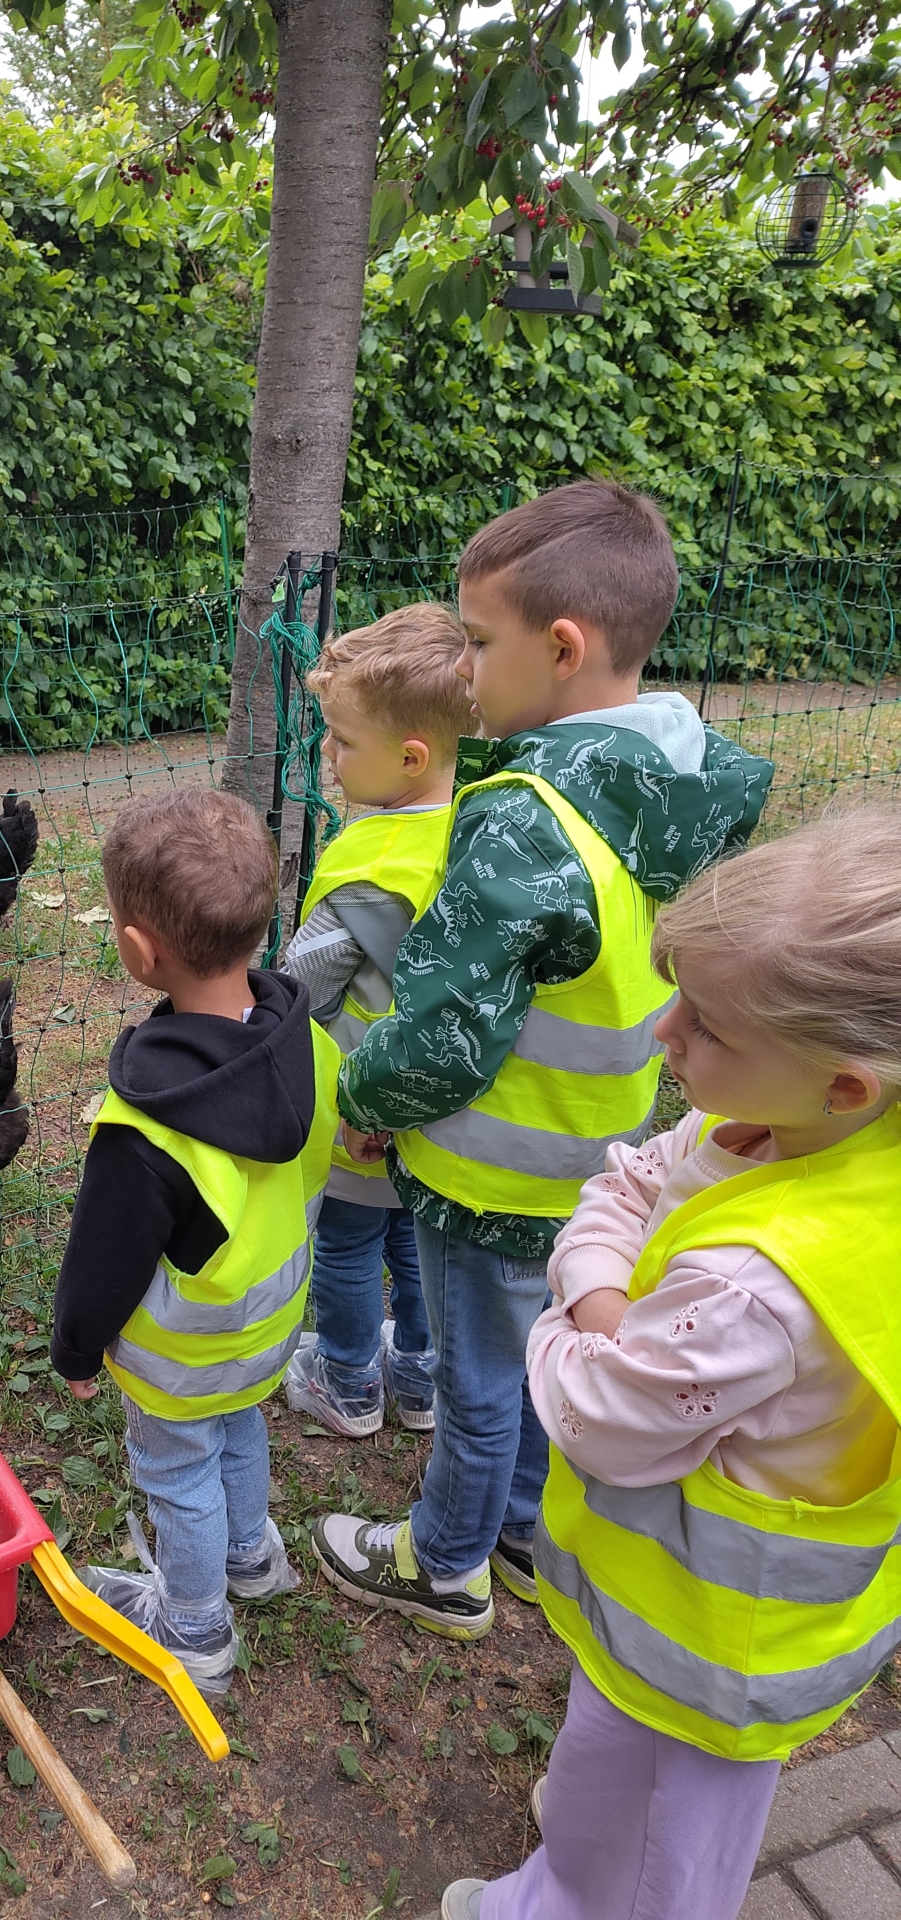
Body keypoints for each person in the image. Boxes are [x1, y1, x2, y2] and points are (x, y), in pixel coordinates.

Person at [310, 480, 773, 1640]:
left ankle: (444, 1563)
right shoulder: (683, 779)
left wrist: (367, 1099)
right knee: (534, 1353)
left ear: (560, 649)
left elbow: (448, 1025)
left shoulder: (522, 816)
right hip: (604, 1146)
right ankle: (523, 1531)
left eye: (476, 643)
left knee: (480, 1383)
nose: (466, 673)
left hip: (493, 1168)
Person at [441, 809, 901, 1920]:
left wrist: (568, 1310)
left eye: (706, 1025)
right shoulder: (789, 1133)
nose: (661, 1032)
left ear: (846, 1083)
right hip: (681, 1617)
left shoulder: (761, 1288)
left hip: (713, 1641)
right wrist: (607, 1295)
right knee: (612, 1777)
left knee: (667, 1861)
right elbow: (636, 1180)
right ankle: (564, 1877)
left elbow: (596, 1414)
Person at [49, 787, 341, 1696]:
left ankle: (195, 1627)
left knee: (178, 1472)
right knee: (241, 1422)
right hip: (269, 1326)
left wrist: (76, 1346)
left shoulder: (147, 1128)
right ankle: (251, 1556)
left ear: (139, 950)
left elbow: (105, 1260)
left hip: (181, 1355)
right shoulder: (310, 1044)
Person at [282, 604, 471, 1437]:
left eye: (342, 740)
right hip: (447, 1105)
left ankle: (350, 1380)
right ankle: (420, 1378)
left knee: (351, 1239)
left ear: (410, 755)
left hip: (366, 1094)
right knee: (416, 1241)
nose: (329, 753)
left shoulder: (367, 861)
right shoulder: (481, 834)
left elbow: (304, 984)